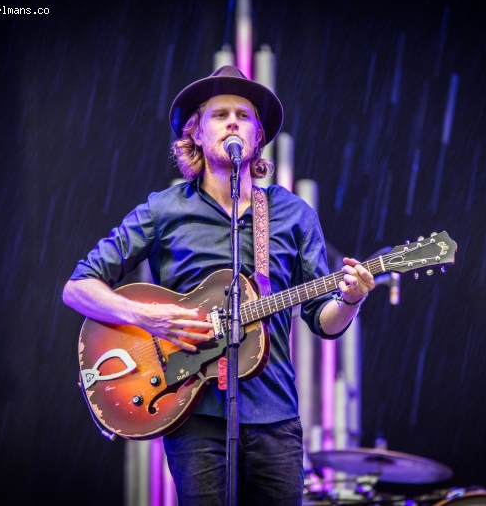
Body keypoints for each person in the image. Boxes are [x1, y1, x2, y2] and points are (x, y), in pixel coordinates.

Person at [62, 65, 375, 506]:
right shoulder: (163, 210)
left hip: (275, 417)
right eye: (219, 114)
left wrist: (350, 299)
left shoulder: (293, 214)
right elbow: (78, 287)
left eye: (244, 116)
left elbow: (323, 320)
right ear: (196, 133)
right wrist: (146, 316)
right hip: (193, 416)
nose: (233, 122)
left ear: (258, 136)